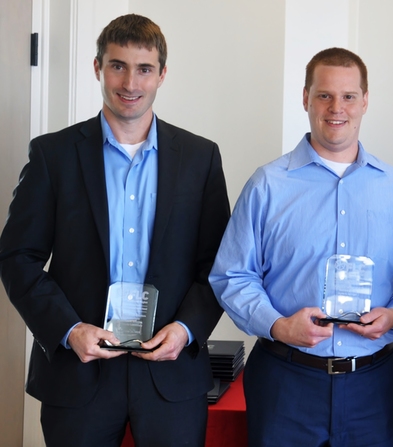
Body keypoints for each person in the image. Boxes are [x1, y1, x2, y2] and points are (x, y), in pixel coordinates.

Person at [0, 14, 231, 447]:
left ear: (162, 74)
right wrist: (69, 330)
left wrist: (184, 329)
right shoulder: (53, 155)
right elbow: (17, 257)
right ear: (97, 68)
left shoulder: (200, 158)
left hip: (170, 371)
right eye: (117, 65)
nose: (130, 82)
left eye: (144, 69)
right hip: (79, 371)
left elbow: (218, 263)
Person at [209, 47, 393, 446]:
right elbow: (232, 275)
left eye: (348, 96)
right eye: (324, 95)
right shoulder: (267, 185)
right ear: (305, 98)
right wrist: (278, 325)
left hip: (375, 386)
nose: (336, 107)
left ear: (365, 101)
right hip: (285, 383)